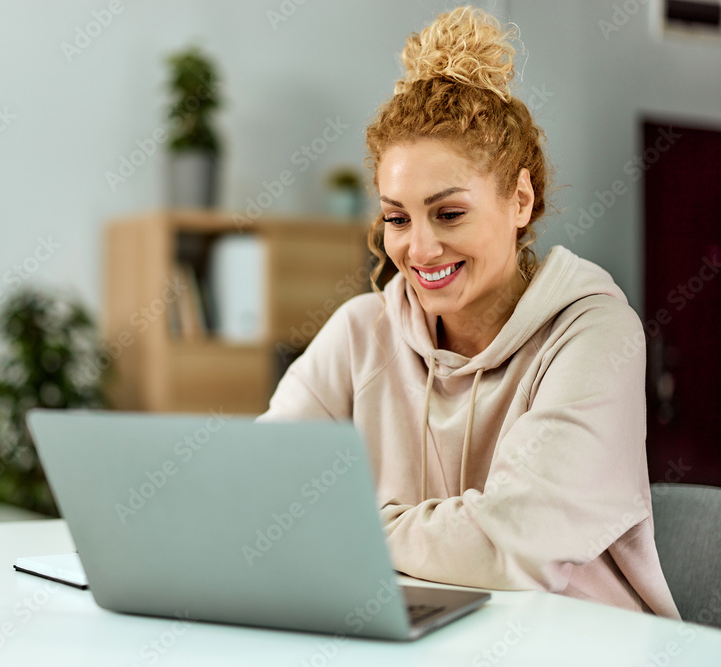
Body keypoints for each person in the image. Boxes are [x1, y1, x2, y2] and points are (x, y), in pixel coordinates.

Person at [257, 5, 680, 619]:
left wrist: (344, 527)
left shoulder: (592, 335)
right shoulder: (359, 333)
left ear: (520, 200)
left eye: (449, 213)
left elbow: (519, 543)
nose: (419, 248)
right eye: (397, 218)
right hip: (426, 638)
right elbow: (256, 494)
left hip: (582, 647)